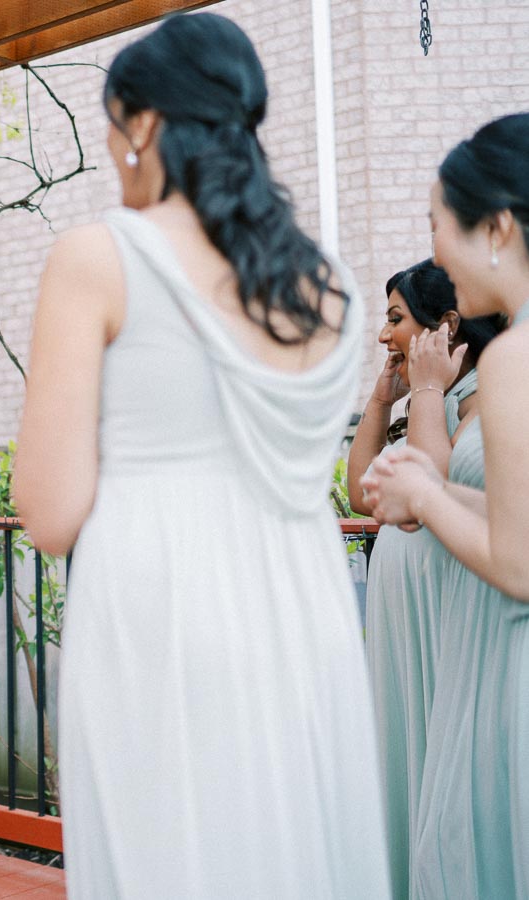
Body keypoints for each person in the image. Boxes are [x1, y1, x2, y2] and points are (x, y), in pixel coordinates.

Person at [12, 13, 389, 898]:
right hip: (303, 609)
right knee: (290, 850)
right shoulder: (328, 287)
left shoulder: (97, 258)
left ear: (143, 125)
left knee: (172, 857)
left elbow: (51, 509)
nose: (110, 150)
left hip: (159, 614)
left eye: (111, 124)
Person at [362, 113, 529, 898]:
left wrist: (426, 489)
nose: (435, 252)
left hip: (509, 662)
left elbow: (521, 561)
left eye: (440, 224)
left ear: (496, 225)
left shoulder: (513, 361)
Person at [345, 260, 501, 898]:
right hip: (400, 609)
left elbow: (431, 491)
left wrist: (431, 388)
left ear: (446, 326)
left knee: (436, 747)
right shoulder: (418, 404)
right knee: (401, 748)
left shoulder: (481, 398)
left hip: (443, 599)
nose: (383, 337)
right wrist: (383, 400)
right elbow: (362, 493)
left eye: (394, 319)